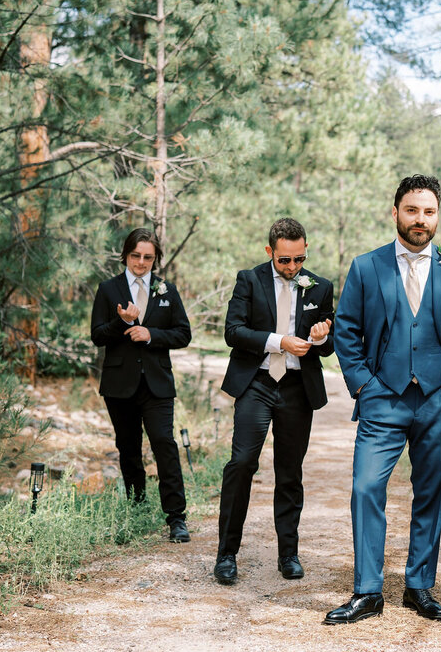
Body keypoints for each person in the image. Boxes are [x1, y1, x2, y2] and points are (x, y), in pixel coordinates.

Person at [324, 174, 441, 624]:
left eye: (429, 212)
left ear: (437, 215)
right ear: (396, 212)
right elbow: (346, 332)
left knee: (432, 493)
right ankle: (367, 591)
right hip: (384, 398)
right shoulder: (367, 266)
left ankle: (419, 585)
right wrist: (364, 385)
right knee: (365, 487)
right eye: (412, 210)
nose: (421, 220)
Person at [214, 218, 335, 585]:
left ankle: (288, 554)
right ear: (270, 252)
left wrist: (318, 336)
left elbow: (329, 346)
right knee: (242, 462)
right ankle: (226, 555)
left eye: (299, 259)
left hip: (298, 388)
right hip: (257, 382)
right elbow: (233, 332)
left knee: (289, 471)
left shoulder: (321, 286)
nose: (293, 267)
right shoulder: (248, 280)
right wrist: (278, 341)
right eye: (285, 260)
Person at [90, 227, 192, 542]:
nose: (141, 262)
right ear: (126, 255)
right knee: (129, 448)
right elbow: (96, 335)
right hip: (120, 384)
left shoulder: (167, 290)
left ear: (155, 258)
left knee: (165, 443)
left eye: (148, 257)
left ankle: (176, 518)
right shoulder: (109, 289)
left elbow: (183, 334)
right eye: (136, 256)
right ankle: (136, 508)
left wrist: (151, 334)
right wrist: (122, 322)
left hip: (158, 384)